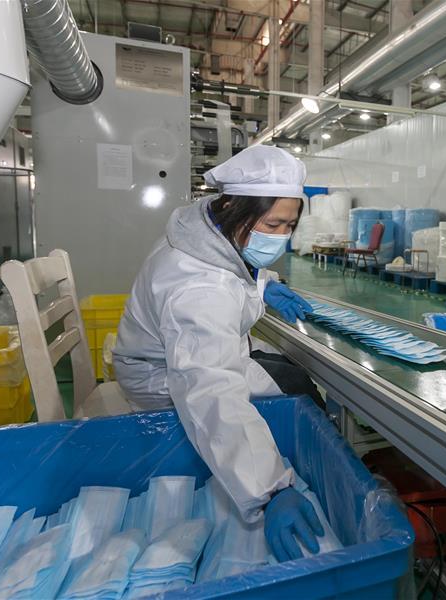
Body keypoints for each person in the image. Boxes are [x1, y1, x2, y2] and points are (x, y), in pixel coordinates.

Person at [112, 145, 326, 563]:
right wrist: (269, 490)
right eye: (272, 224)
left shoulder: (204, 231)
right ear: (233, 207)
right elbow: (209, 390)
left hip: (176, 354)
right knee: (295, 389)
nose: (280, 237)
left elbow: (231, 264)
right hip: (160, 377)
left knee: (287, 371)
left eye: (289, 225)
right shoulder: (198, 289)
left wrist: (264, 285)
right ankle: (301, 478)